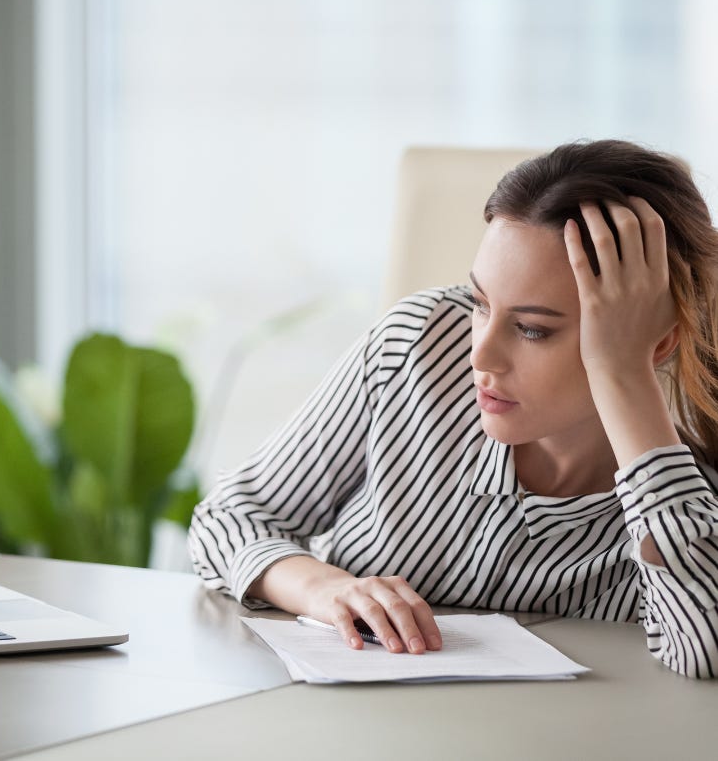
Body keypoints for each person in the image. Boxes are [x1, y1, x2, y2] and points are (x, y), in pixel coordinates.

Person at [187, 139, 718, 678]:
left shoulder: (694, 485)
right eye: (480, 303)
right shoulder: (418, 345)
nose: (480, 353)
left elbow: (703, 648)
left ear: (656, 344)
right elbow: (230, 518)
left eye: (533, 329)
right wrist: (323, 587)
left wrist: (624, 377)